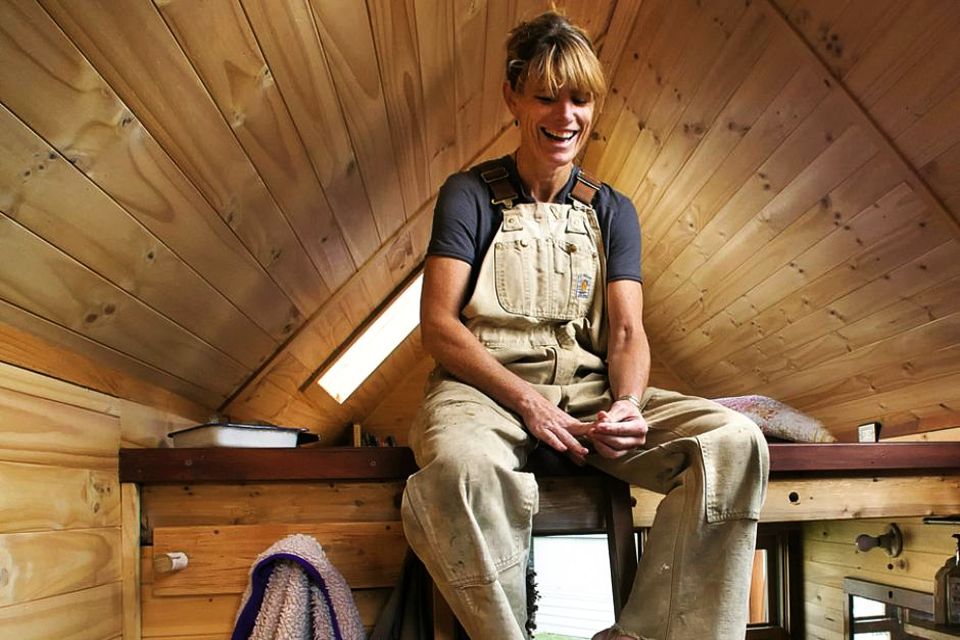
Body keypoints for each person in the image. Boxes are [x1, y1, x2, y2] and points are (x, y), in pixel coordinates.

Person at [400, 11, 769, 640]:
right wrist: (527, 404)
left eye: (580, 98)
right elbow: (437, 326)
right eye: (546, 97)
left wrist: (626, 403)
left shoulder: (612, 209)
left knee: (735, 443)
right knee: (462, 474)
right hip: (484, 390)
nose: (565, 115)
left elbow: (626, 334)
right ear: (513, 97)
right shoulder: (469, 194)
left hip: (589, 389)